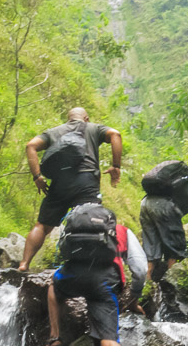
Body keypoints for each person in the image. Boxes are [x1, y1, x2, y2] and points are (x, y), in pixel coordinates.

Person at [43, 204, 147, 346]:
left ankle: (55, 337)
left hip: (72, 275)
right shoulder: (123, 232)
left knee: (54, 285)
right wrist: (134, 298)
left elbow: (62, 252)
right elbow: (140, 269)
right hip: (104, 282)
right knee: (108, 339)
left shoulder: (75, 225)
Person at [17, 107, 123, 272]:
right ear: (86, 118)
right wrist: (116, 166)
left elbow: (30, 145)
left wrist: (37, 176)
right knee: (90, 222)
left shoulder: (54, 132)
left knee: (42, 225)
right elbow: (115, 134)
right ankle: (88, 267)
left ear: (68, 118)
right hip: (86, 181)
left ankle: (24, 264)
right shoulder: (93, 128)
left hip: (60, 183)